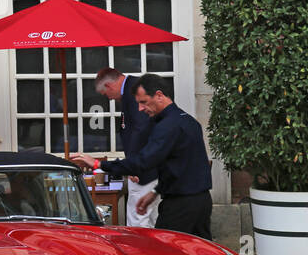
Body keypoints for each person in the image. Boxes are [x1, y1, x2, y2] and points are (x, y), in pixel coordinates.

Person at [71, 73, 213, 239]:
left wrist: (98, 164)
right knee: (201, 254)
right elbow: (179, 168)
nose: (140, 109)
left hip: (181, 206)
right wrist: (155, 192)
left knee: (165, 253)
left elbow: (144, 161)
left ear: (159, 95)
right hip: (201, 201)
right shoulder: (187, 120)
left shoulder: (167, 127)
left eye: (143, 102)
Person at [94, 66, 158, 227]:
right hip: (152, 162)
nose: (108, 98)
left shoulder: (134, 91)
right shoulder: (134, 87)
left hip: (144, 166)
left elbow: (141, 129)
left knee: (138, 216)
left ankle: (140, 251)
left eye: (105, 94)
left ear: (109, 86)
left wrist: (134, 164)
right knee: (151, 216)